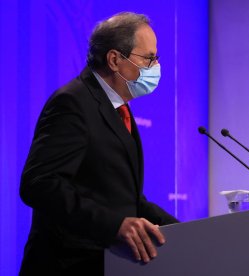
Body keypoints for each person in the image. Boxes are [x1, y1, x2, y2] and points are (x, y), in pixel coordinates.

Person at [19, 12, 178, 275]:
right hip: (66, 265)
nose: (155, 66)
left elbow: (127, 200)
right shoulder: (72, 103)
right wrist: (114, 226)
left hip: (106, 264)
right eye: (149, 58)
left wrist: (184, 230)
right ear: (115, 59)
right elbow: (40, 184)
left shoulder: (118, 108)